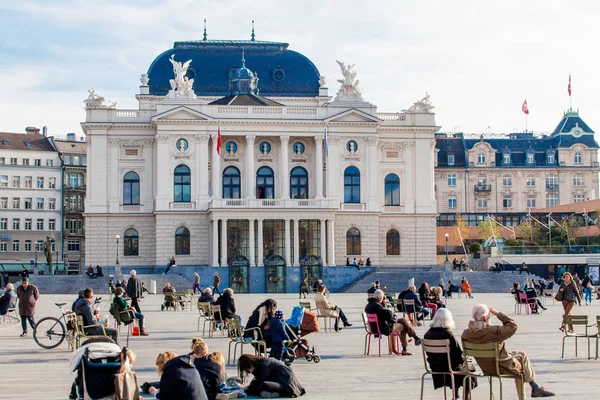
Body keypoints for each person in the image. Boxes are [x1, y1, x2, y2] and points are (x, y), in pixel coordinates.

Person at [462, 304, 555, 398]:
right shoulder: (494, 331)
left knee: (521, 354)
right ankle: (531, 392)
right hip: (501, 366)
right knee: (521, 366)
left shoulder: (465, 334)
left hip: (485, 367)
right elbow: (513, 325)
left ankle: (535, 387)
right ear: (485, 317)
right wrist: (498, 314)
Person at [424, 309, 476, 399]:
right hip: (450, 368)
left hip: (435, 368)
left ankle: (455, 393)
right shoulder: (448, 334)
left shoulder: (427, 334)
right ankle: (466, 397)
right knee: (470, 367)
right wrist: (465, 359)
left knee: (458, 366)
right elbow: (457, 354)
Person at [366, 289, 422, 355]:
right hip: (383, 328)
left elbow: (387, 316)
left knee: (402, 320)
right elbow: (389, 316)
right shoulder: (378, 306)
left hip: (375, 327)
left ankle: (415, 337)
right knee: (402, 326)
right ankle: (405, 349)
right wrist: (384, 304)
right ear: (381, 298)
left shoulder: (368, 305)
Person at [238, 354, 306, 398]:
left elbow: (260, 381)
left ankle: (279, 394)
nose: (249, 372)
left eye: (247, 370)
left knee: (263, 385)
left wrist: (248, 388)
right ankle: (269, 393)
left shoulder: (263, 365)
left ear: (250, 365)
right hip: (278, 380)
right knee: (256, 386)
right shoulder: (259, 364)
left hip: (285, 383)